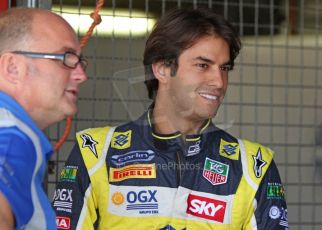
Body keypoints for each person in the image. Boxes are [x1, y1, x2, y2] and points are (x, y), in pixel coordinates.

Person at [53, 8, 288, 229]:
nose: (219, 82)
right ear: (162, 69)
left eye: (224, 68)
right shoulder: (95, 153)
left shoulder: (253, 165)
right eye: (203, 65)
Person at [0, 7, 88, 230]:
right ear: (12, 67)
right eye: (65, 58)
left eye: (79, 61)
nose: (81, 75)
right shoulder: (9, 137)